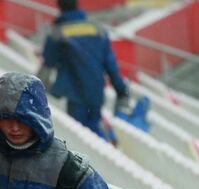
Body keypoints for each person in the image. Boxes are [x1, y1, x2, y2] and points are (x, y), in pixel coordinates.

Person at [37, 0, 130, 145]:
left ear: (59, 7)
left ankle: (101, 152)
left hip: (75, 94)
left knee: (80, 138)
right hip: (96, 91)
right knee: (92, 126)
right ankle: (105, 146)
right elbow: (111, 65)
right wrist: (121, 90)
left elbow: (47, 64)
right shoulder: (97, 29)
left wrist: (38, 90)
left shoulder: (57, 32)